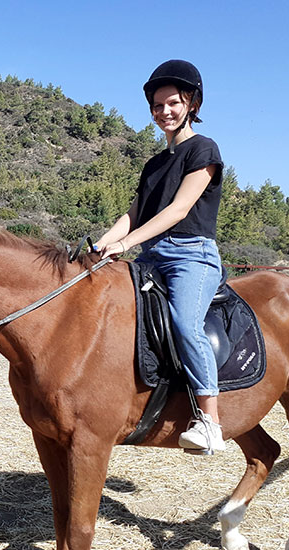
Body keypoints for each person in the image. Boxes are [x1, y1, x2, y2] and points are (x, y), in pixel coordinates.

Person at [94, 59, 225, 452]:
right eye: (157, 106)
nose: (164, 112)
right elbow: (134, 212)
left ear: (192, 103)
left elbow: (178, 210)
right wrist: (103, 244)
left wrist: (126, 244)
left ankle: (210, 421)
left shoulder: (204, 149)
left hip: (191, 255)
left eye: (172, 103)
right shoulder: (153, 163)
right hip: (151, 256)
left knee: (186, 324)